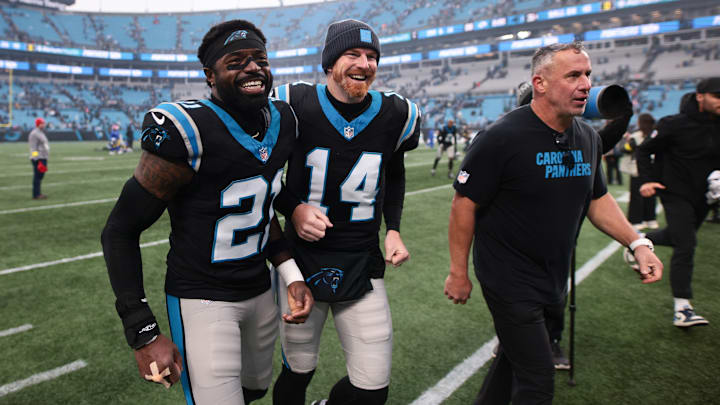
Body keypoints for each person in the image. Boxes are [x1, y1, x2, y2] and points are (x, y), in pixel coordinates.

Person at [100, 19, 314, 405]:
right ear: (210, 76)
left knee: (255, 389)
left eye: (259, 59)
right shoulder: (188, 129)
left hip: (261, 290)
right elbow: (119, 230)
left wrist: (290, 272)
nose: (252, 68)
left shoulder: (282, 122)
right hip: (203, 296)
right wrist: (142, 330)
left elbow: (260, 211)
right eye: (236, 62)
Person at [444, 42, 662, 405]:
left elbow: (597, 200)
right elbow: (463, 204)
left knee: (511, 366)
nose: (586, 85)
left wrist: (637, 243)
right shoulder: (502, 137)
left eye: (588, 75)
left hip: (553, 275)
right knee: (537, 381)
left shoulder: (588, 137)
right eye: (573, 75)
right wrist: (458, 272)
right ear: (540, 83)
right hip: (509, 277)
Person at [270, 19, 421, 405]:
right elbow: (262, 173)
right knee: (298, 370)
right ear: (330, 62)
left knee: (372, 388)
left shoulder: (396, 113)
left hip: (362, 257)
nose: (365, 63)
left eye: (372, 56)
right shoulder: (292, 102)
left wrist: (394, 228)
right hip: (301, 260)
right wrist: (295, 208)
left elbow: (395, 171)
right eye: (353, 54)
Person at [514, 78, 634, 372]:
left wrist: (623, 113)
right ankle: (511, 338)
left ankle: (552, 339)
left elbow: (604, 140)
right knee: (518, 294)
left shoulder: (578, 137)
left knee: (556, 292)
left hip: (562, 233)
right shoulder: (512, 136)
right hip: (519, 233)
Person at [636, 77, 720, 328]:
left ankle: (640, 240)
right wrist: (648, 180)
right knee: (687, 245)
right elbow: (643, 150)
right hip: (674, 192)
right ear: (700, 96)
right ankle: (682, 308)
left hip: (704, 197)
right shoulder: (674, 124)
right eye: (717, 96)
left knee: (677, 237)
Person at [621, 113, 658, 230]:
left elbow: (625, 149)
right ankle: (650, 219)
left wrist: (627, 142)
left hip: (637, 170)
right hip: (653, 169)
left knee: (637, 196)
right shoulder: (656, 135)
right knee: (651, 195)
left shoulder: (636, 136)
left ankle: (636, 220)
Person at [28, 117, 49, 200]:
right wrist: (36, 158)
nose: (44, 124)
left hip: (43, 157)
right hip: (39, 158)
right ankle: (36, 195)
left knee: (40, 176)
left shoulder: (41, 132)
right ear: (38, 124)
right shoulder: (34, 133)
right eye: (42, 123)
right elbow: (33, 147)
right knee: (37, 176)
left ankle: (38, 193)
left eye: (44, 123)